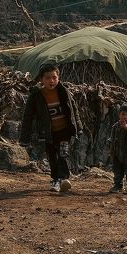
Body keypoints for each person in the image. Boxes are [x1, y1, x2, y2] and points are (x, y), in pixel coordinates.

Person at [20, 64, 81, 192]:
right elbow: (28, 116)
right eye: (47, 78)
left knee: (63, 154)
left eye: (54, 77)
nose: (51, 81)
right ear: (41, 80)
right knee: (52, 156)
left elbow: (73, 109)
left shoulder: (63, 91)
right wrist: (24, 137)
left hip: (64, 130)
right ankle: (55, 180)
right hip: (48, 132)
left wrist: (78, 127)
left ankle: (62, 179)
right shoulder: (36, 96)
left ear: (58, 78)